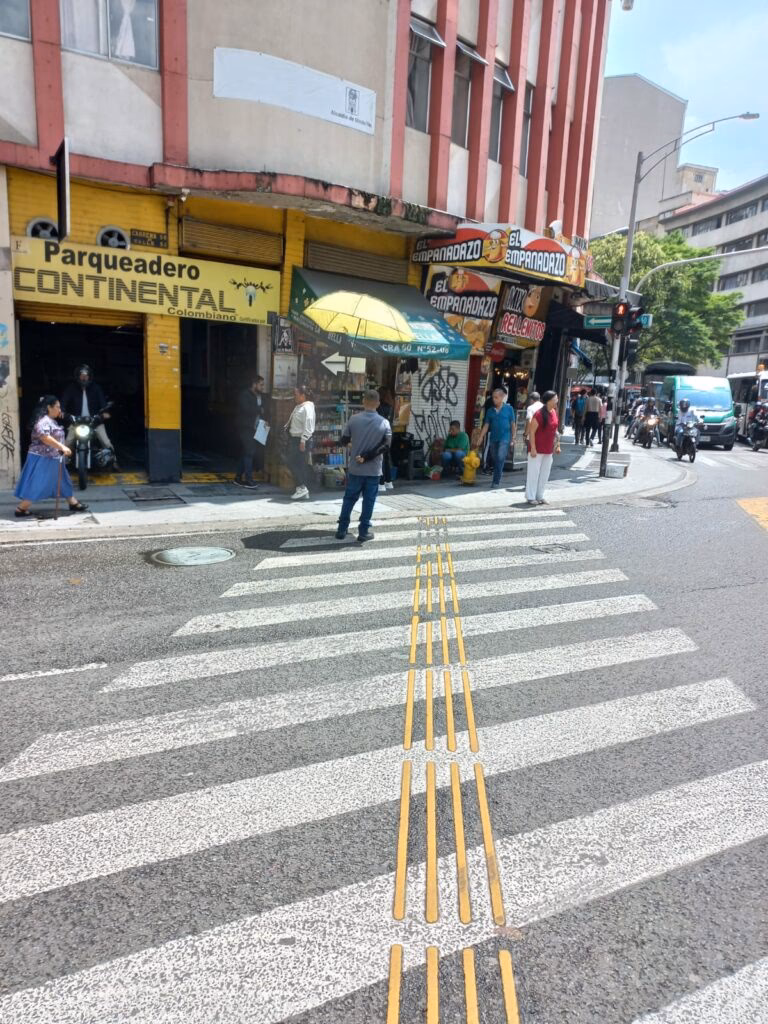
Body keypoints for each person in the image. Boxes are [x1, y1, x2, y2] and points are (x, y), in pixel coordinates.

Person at [14, 395, 89, 518]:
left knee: (63, 481)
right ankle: (21, 508)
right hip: (43, 458)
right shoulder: (43, 421)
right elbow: (45, 437)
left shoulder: (51, 420)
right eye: (58, 407)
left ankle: (73, 503)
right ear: (49, 407)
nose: (60, 410)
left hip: (52, 458)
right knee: (37, 483)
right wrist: (62, 447)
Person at [336, 389, 392, 543]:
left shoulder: (353, 420)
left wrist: (354, 447)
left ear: (363, 402)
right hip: (373, 470)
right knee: (369, 501)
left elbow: (343, 440)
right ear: (378, 403)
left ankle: (341, 529)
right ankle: (363, 531)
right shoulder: (384, 423)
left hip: (355, 469)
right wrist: (368, 457)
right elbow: (386, 446)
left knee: (349, 499)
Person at [61, 365, 116, 460]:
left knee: (106, 442)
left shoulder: (96, 388)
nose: (84, 378)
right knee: (67, 442)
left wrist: (105, 412)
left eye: (86, 375)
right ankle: (62, 463)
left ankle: (114, 461)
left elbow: (102, 402)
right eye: (82, 375)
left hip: (94, 420)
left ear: (89, 376)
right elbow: (64, 401)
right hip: (76, 421)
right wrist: (62, 411)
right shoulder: (72, 388)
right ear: (78, 376)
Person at [525, 390, 560, 505]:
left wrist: (557, 444)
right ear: (549, 401)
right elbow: (532, 432)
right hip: (537, 448)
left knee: (545, 473)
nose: (557, 401)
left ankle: (540, 495)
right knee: (533, 473)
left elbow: (555, 430)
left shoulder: (554, 412)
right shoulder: (539, 414)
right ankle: (530, 496)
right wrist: (533, 448)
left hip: (548, 448)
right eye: (555, 399)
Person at [477, 388, 516, 489]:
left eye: (496, 397)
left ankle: (496, 481)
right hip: (493, 438)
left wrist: (513, 438)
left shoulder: (509, 409)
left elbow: (512, 424)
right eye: (493, 397)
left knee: (500, 457)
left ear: (502, 397)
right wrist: (481, 437)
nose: (494, 399)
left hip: (505, 438)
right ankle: (498, 472)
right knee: (495, 458)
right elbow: (486, 425)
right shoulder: (490, 411)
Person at [234, 375, 269, 488]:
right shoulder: (245, 395)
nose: (263, 387)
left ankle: (238, 478)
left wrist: (266, 420)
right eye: (261, 384)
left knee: (246, 452)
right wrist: (260, 409)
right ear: (254, 384)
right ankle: (249, 480)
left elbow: (264, 410)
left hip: (257, 428)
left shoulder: (261, 396)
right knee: (250, 452)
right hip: (246, 427)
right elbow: (246, 409)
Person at [284, 384, 316, 500]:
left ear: (303, 395)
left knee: (292, 462)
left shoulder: (307, 407)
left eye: (296, 394)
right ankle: (301, 489)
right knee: (297, 463)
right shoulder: (299, 406)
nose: (294, 397)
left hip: (301, 440)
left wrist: (303, 441)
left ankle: (302, 487)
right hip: (295, 439)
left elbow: (308, 425)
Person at [377, 387, 395, 493]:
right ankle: (389, 481)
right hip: (389, 433)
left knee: (380, 459)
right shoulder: (391, 406)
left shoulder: (379, 407)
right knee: (387, 458)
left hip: (380, 433)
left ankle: (381, 482)